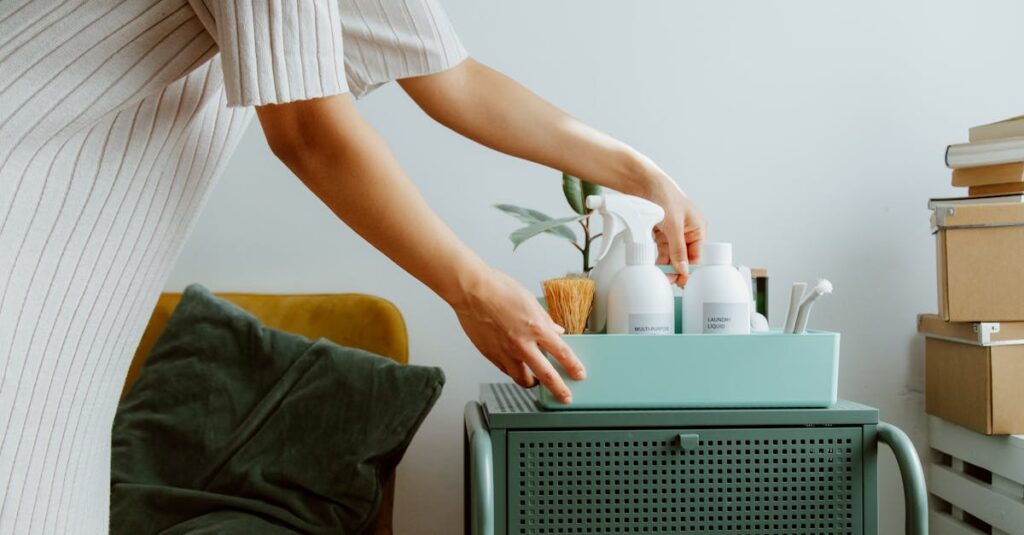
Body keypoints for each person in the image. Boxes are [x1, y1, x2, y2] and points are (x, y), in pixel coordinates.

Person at [0, 0, 705, 532]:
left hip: (64, 282)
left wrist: (643, 175)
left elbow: (452, 79)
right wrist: (473, 289)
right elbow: (306, 129)